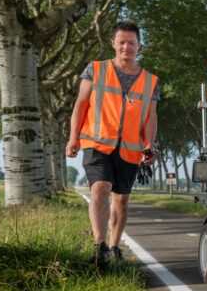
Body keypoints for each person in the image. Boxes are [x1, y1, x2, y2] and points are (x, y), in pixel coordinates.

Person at [65, 21, 160, 266]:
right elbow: (81, 104)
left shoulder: (150, 81)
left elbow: (151, 116)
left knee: (121, 198)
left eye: (132, 43)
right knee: (100, 187)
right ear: (113, 44)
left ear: (139, 46)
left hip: (130, 148)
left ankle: (115, 246)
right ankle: (99, 244)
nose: (126, 47)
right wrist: (74, 137)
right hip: (96, 142)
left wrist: (149, 143)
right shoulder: (95, 70)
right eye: (122, 42)